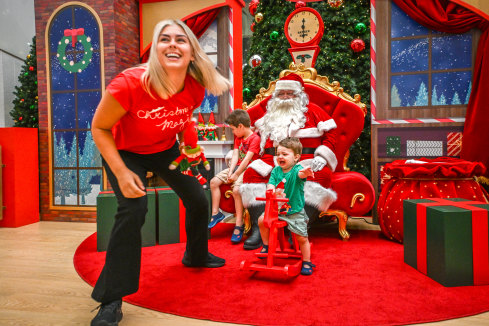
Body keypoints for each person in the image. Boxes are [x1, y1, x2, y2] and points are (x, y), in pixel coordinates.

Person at [89, 19, 231, 326]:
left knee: (198, 195)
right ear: (156, 49)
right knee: (134, 208)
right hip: (125, 151)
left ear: (192, 52)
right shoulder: (129, 84)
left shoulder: (194, 86)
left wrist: (190, 154)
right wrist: (122, 172)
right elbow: (99, 128)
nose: (172, 44)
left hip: (165, 149)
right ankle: (111, 299)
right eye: (164, 39)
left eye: (180, 40)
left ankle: (195, 254)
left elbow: (182, 119)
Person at [240, 73, 338, 250]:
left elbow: (331, 134)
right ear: (276, 96)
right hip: (271, 158)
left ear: (299, 95)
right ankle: (259, 227)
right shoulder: (268, 117)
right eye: (281, 93)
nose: (285, 97)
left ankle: (298, 230)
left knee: (320, 176)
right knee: (252, 174)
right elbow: (255, 141)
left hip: (305, 158)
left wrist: (322, 156)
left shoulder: (314, 111)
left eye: (290, 93)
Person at [257, 137, 316, 275]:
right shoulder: (276, 171)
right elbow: (271, 183)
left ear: (296, 157)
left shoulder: (297, 169)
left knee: (302, 237)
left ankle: (307, 261)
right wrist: (270, 189)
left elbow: (300, 174)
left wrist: (306, 173)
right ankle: (266, 245)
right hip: (275, 210)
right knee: (261, 221)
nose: (280, 157)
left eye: (285, 154)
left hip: (293, 210)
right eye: (278, 154)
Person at [207, 109, 261, 244]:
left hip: (248, 169)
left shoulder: (255, 138)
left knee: (237, 190)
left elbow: (247, 159)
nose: (232, 132)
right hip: (236, 167)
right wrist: (231, 171)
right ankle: (216, 214)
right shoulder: (238, 138)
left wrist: (236, 174)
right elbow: (236, 155)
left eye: (233, 129)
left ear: (241, 126)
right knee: (213, 182)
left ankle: (239, 224)